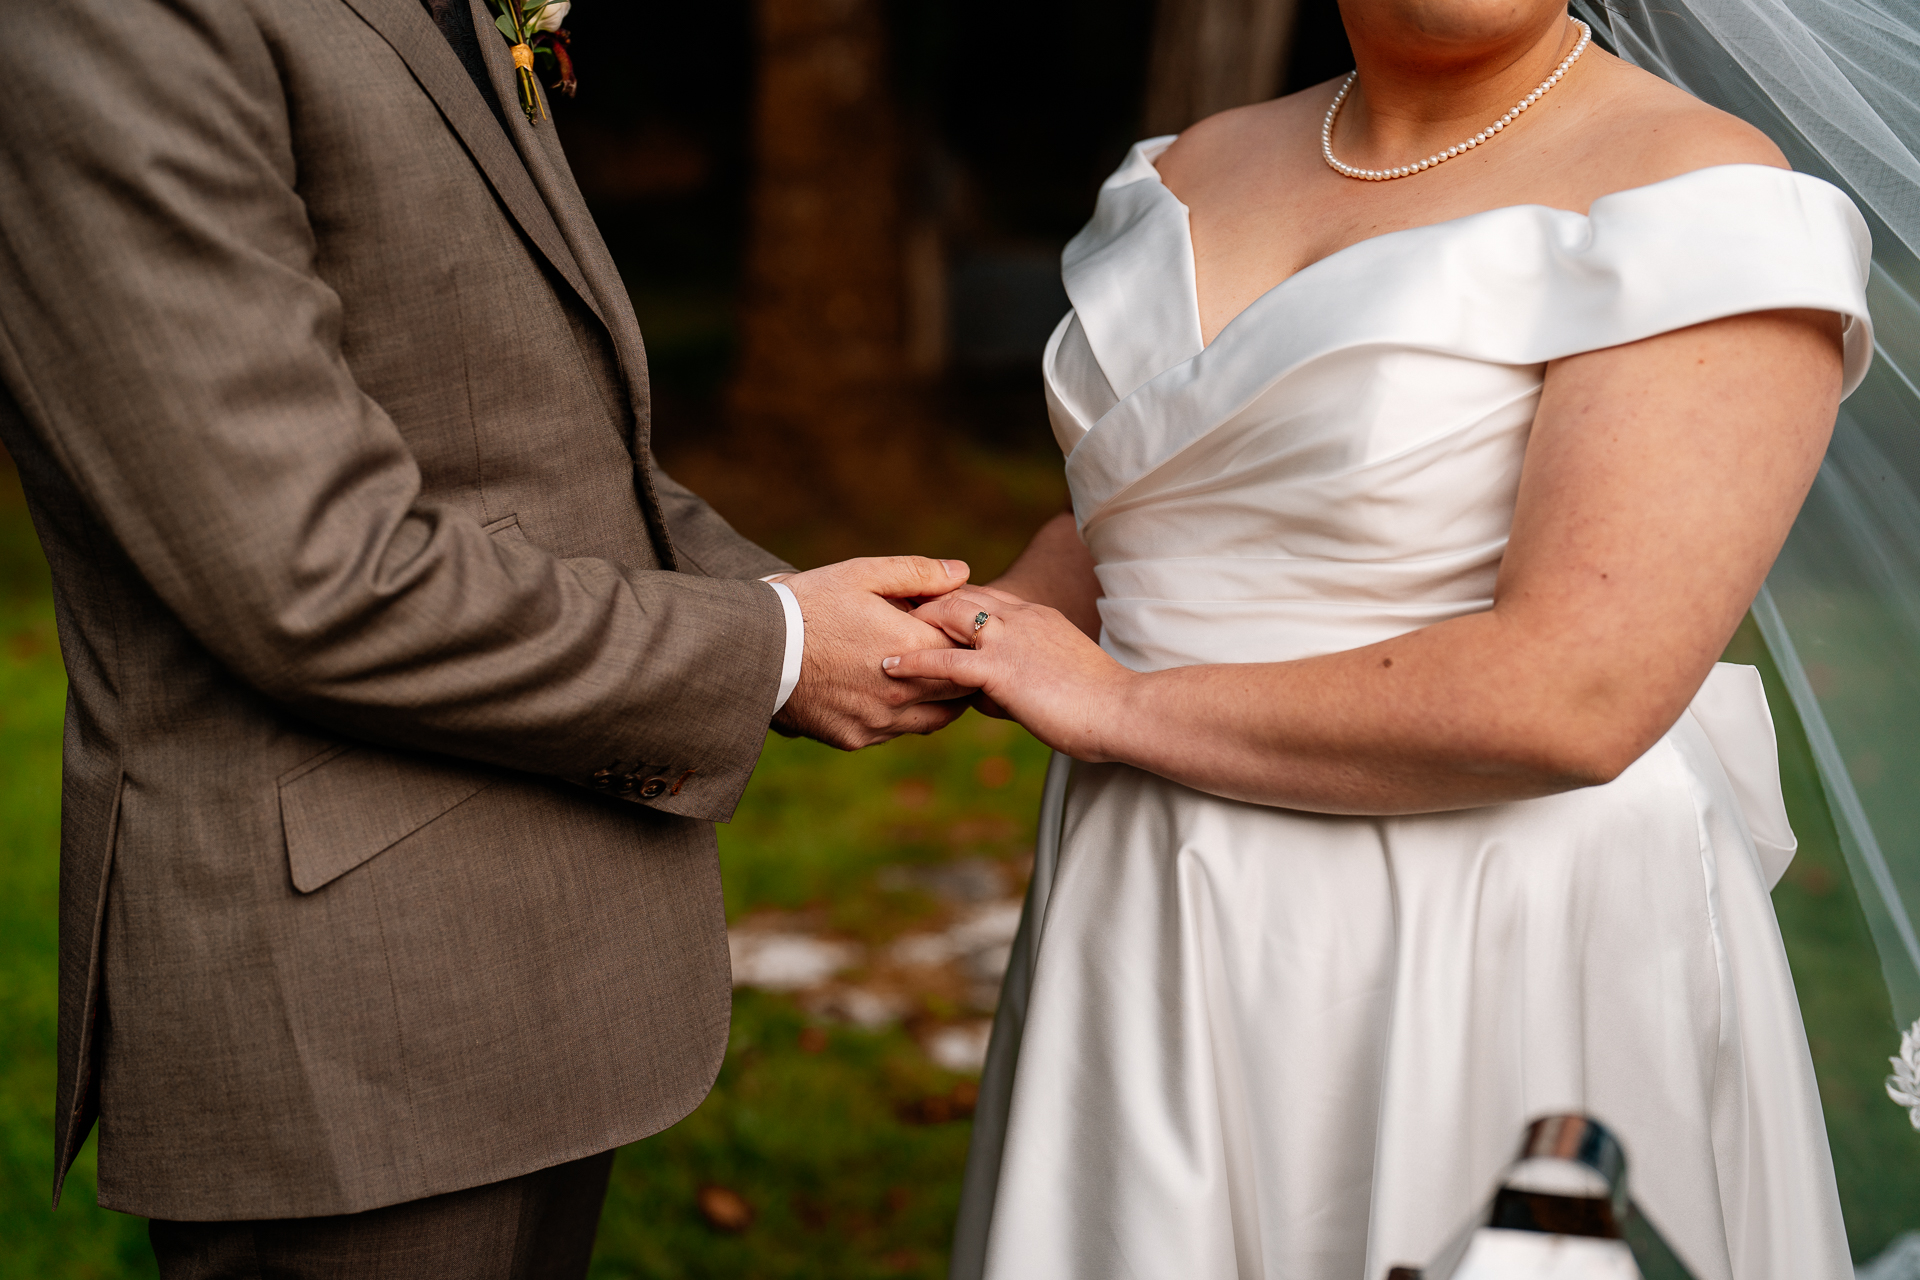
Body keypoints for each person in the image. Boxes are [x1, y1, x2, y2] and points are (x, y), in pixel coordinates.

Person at [888, 2, 1872, 1277]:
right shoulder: (1183, 168)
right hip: (1152, 887)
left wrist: (1116, 707)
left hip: (1483, 920)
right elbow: (1159, 501)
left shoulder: (1701, 202)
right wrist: (985, 621)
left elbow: (1578, 695)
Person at [0, 1, 970, 1275]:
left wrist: (829, 611)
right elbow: (314, 574)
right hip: (349, 1009)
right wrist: (773, 650)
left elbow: (543, 453)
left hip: (531, 940)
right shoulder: (107, 23)